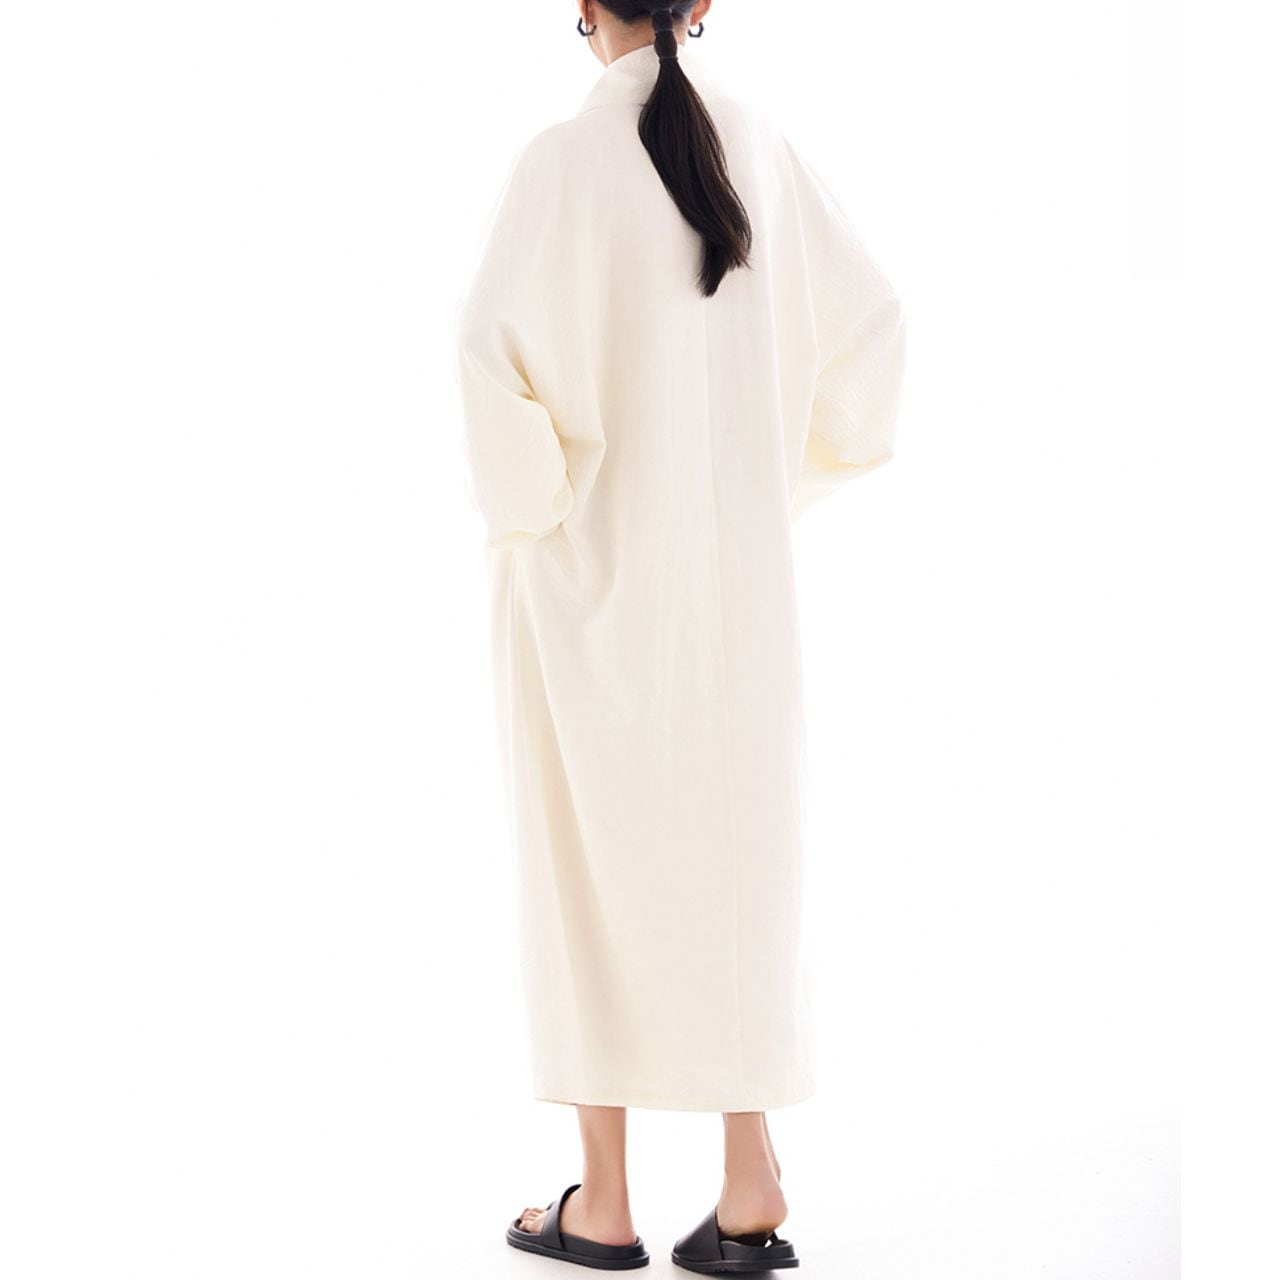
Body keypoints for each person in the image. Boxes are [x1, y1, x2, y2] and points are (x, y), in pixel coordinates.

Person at [453, 0, 905, 1270]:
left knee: (583, 874)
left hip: (580, 583)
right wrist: (767, 485)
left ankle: (601, 1201)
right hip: (736, 590)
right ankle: (750, 1176)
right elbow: (873, 333)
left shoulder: (556, 164)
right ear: (702, 5)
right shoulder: (760, 144)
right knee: (733, 861)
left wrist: (539, 513)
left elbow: (483, 357)